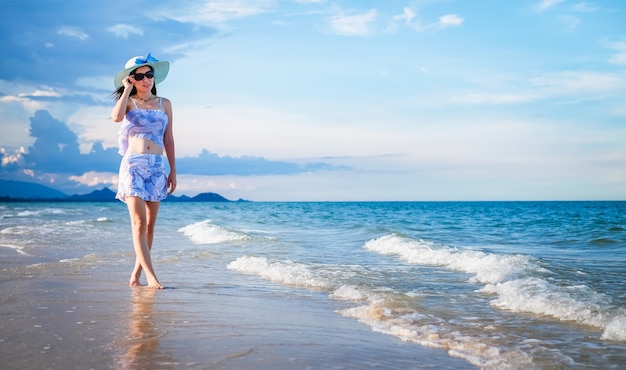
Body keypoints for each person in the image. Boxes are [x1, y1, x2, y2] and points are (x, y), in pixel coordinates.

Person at [111, 53, 176, 289]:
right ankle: (152, 277)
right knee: (138, 223)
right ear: (131, 79)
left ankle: (136, 273)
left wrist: (173, 171)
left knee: (150, 226)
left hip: (158, 167)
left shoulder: (165, 104)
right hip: (133, 166)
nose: (146, 79)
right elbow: (116, 118)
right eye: (140, 76)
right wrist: (126, 90)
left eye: (149, 74)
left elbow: (169, 139)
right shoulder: (128, 102)